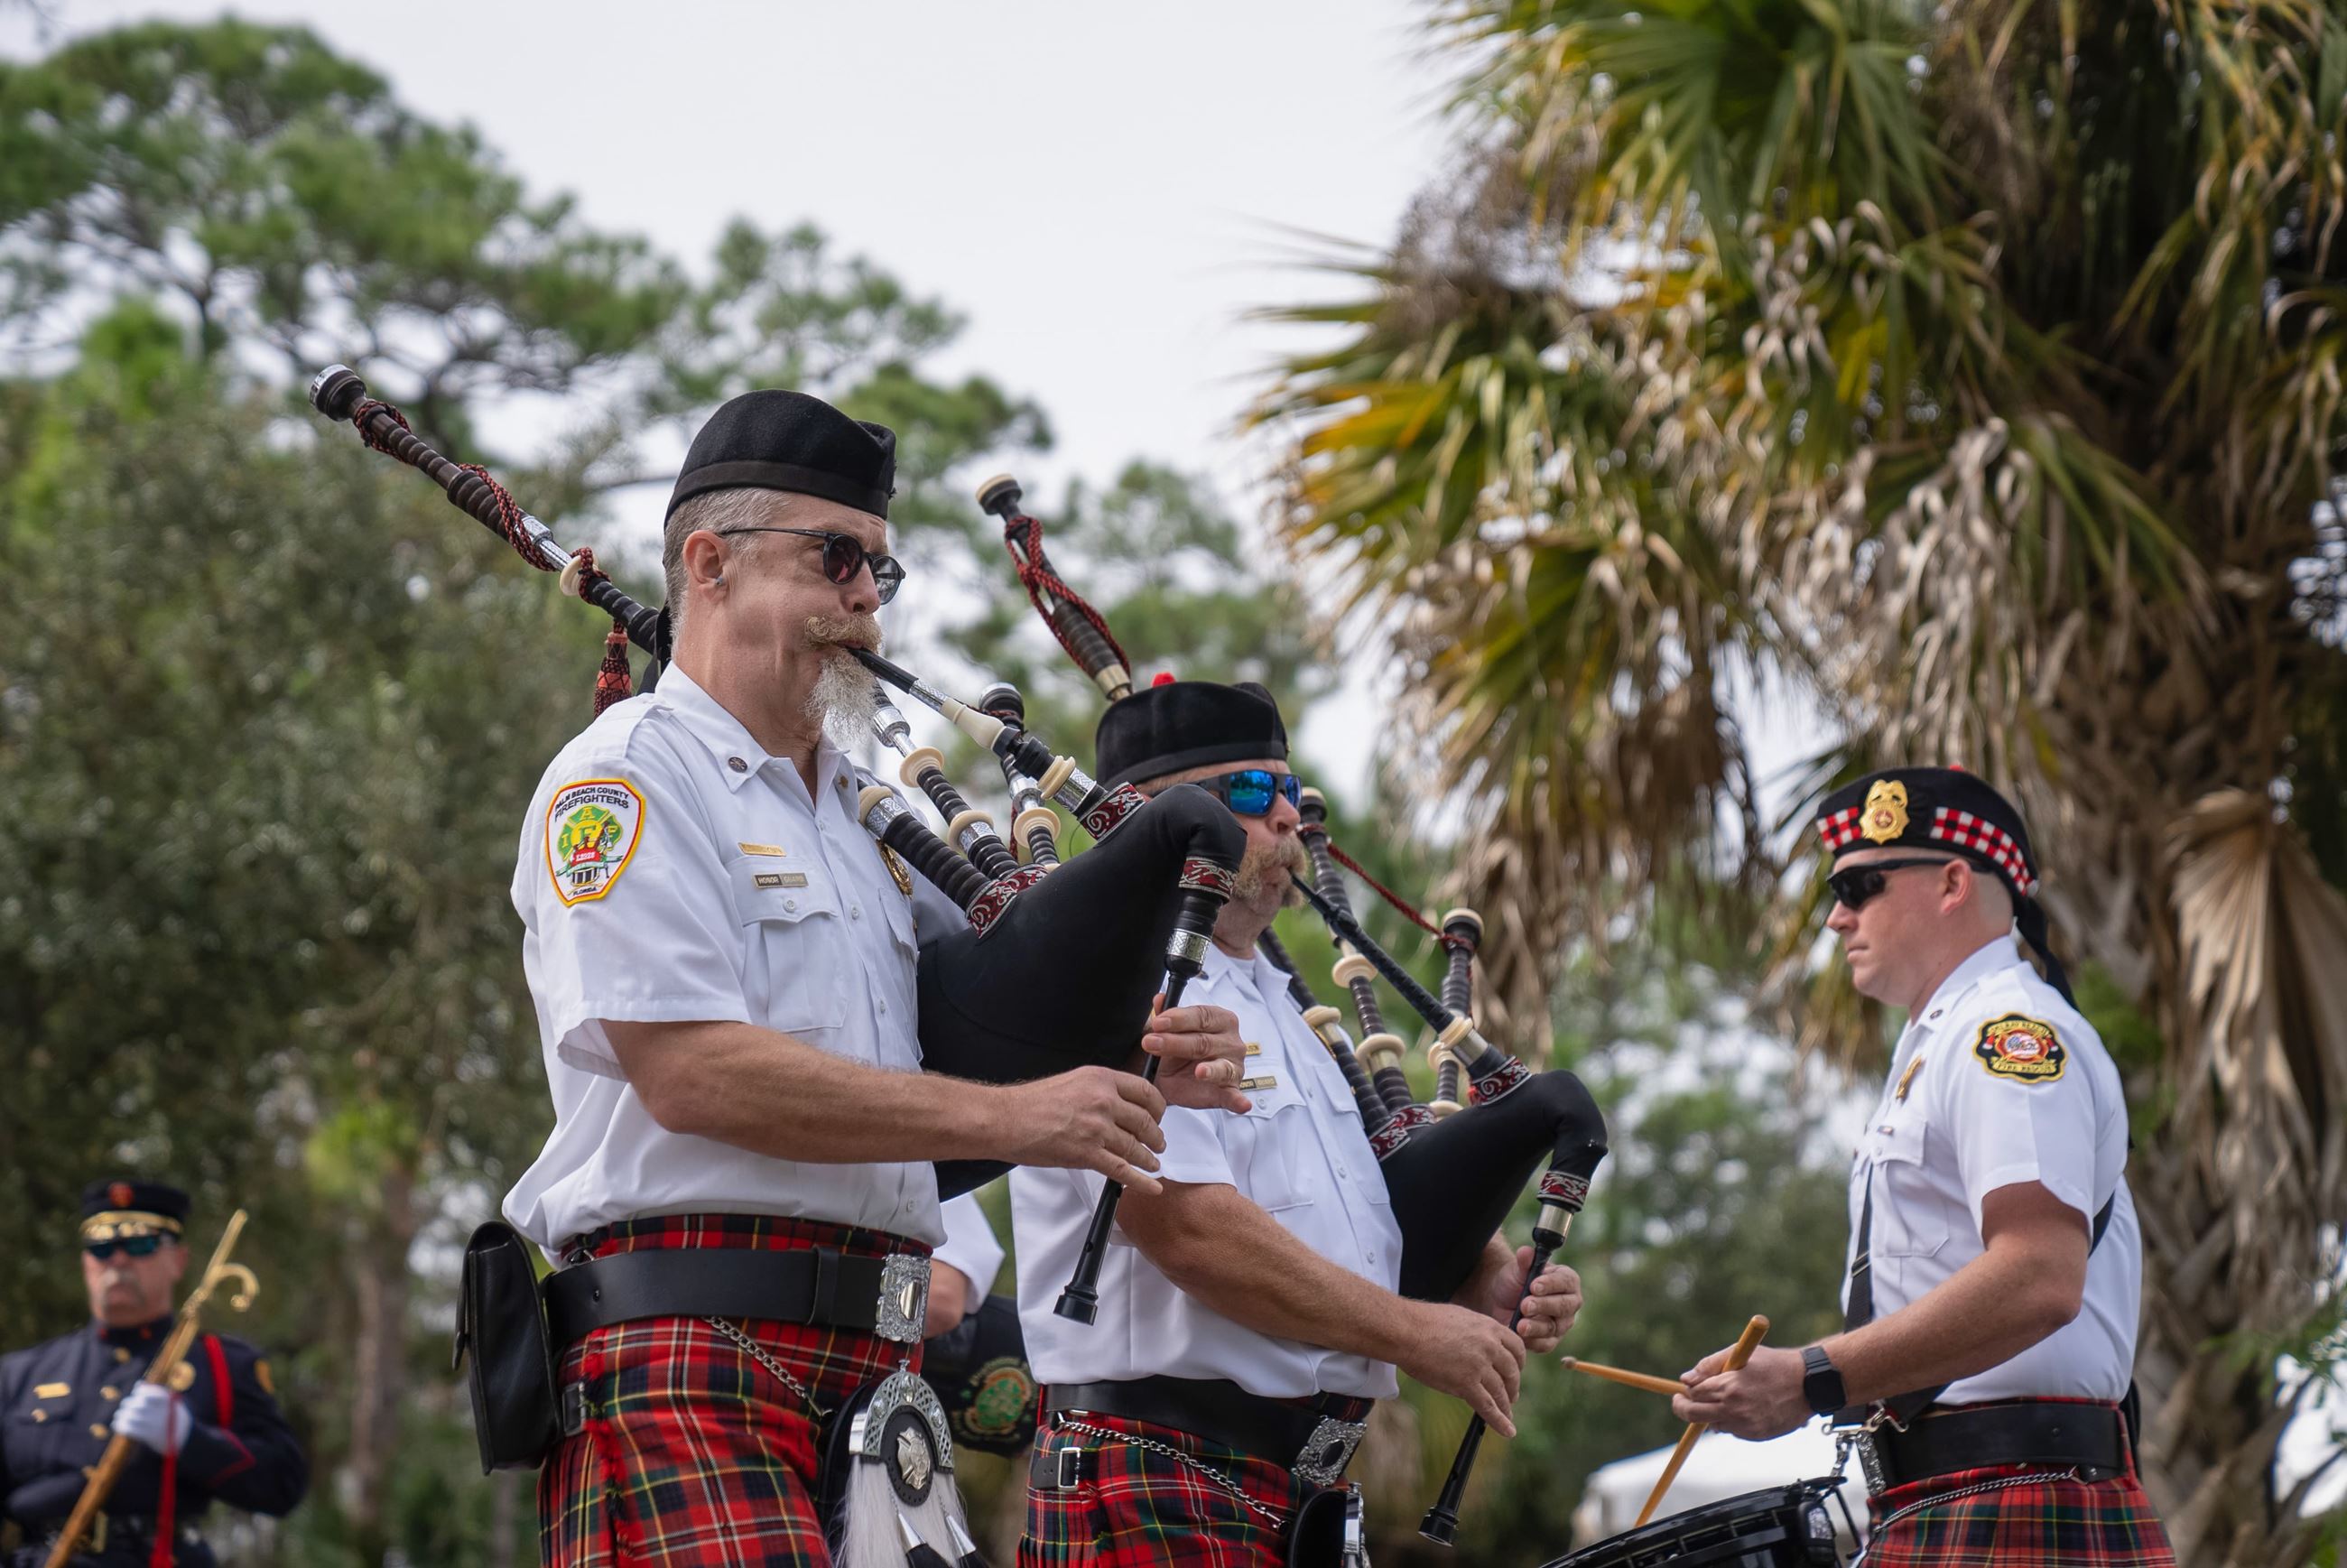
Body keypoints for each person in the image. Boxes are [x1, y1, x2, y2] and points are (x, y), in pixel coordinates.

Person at [506, 389, 1250, 1568]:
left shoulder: (864, 821)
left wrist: (1128, 1055)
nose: (866, 598)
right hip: (689, 1349)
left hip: (878, 1369)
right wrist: (1023, 1120)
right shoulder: (630, 778)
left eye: (880, 573)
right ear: (712, 565)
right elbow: (690, 1074)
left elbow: (961, 1031)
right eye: (836, 557)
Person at [1012, 678, 1584, 1566]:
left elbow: (1343, 1234)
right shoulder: (1120, 977)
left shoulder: (1282, 1008)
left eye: (1287, 788)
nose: (1285, 815)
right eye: (1248, 790)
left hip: (1300, 1494)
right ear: (1154, 817)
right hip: (1159, 1468)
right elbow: (1189, 1227)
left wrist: (1482, 1288)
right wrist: (1410, 1333)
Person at [1670, 768, 2174, 1564]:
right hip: (1960, 1495)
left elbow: (2041, 1273)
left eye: (1861, 884)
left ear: (1950, 882)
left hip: (2013, 1496)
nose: (1837, 917)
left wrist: (1812, 1376)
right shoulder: (1941, 1042)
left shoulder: (2007, 1033)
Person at [0, 1182, 305, 1566]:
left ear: (178, 1260)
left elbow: (283, 1484)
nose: (118, 1260)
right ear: (85, 1262)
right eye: (101, 1247)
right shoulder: (19, 1375)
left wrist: (190, 1439)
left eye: (141, 1244)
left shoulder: (220, 1365)